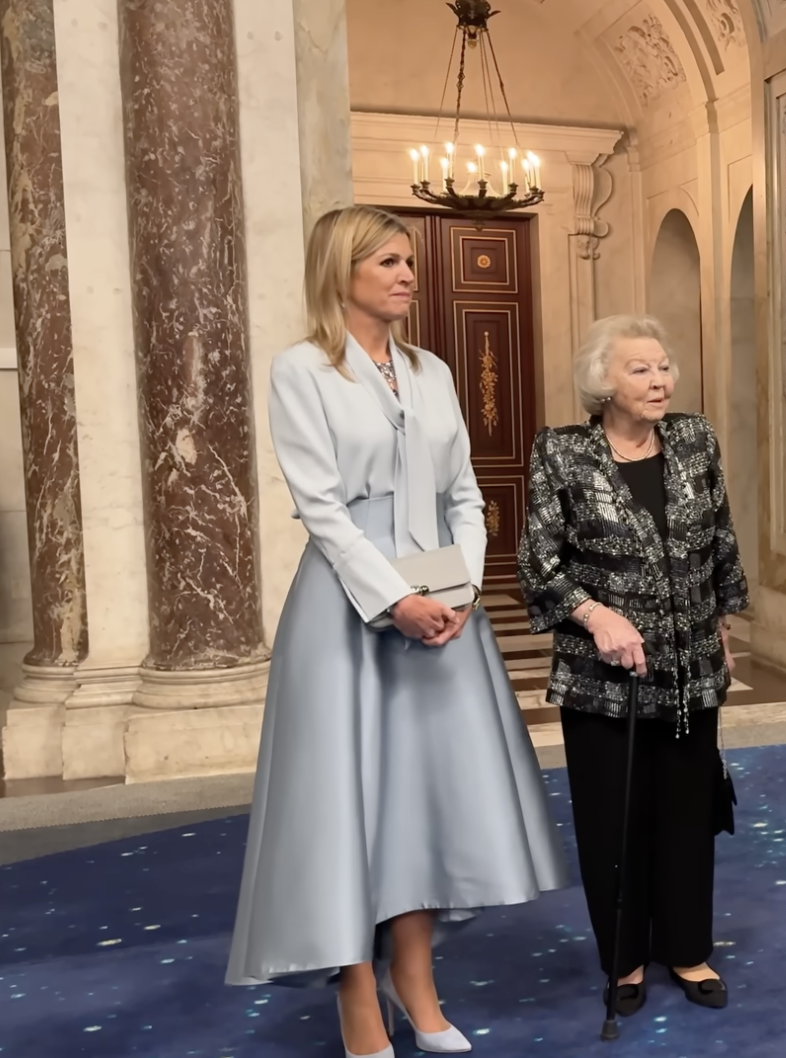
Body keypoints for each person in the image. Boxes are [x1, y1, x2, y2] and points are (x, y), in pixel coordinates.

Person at [226, 206, 570, 1058]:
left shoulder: (432, 368)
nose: (407, 274)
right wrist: (393, 601)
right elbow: (323, 511)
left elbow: (463, 494)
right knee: (349, 805)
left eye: (409, 260)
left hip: (443, 606)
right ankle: (356, 994)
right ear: (342, 271)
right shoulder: (301, 371)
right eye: (388, 261)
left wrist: (456, 587)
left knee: (418, 800)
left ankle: (417, 985)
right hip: (348, 609)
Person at [517, 315, 748, 1017]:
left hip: (689, 668)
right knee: (613, 820)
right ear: (603, 383)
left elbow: (719, 537)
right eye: (639, 369)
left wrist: (721, 625)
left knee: (685, 812)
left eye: (664, 366)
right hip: (602, 674)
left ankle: (686, 947)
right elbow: (539, 560)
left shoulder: (693, 437)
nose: (659, 380)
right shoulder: (561, 453)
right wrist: (594, 614)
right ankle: (623, 959)